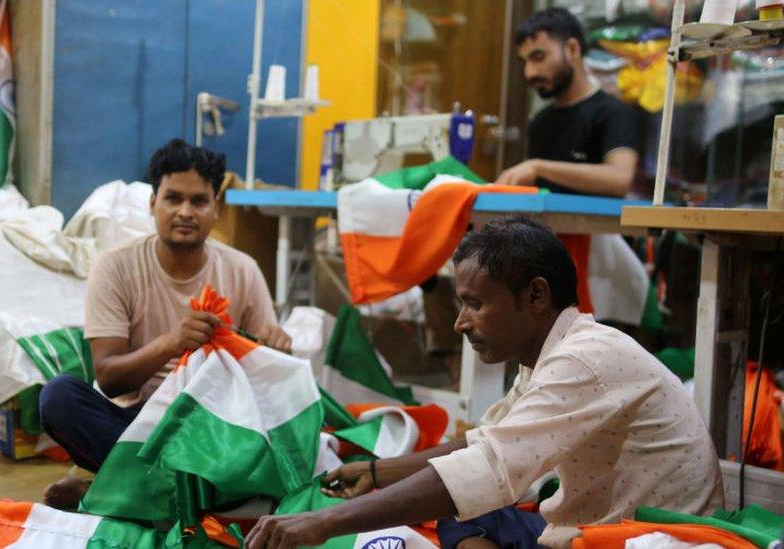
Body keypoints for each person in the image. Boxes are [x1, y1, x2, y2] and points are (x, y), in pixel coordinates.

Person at [245, 216, 723, 549]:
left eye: (474, 303)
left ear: (535, 295)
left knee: (463, 501)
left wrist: (320, 524)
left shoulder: (584, 361)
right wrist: (375, 474)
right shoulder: (553, 352)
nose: (460, 323)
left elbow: (486, 467)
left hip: (643, 542)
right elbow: (480, 446)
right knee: (462, 507)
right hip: (606, 530)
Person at [38, 139, 291, 502]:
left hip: (215, 423)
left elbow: (266, 375)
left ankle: (117, 493)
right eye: (173, 198)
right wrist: (173, 343)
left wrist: (275, 346)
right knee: (59, 397)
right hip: (138, 426)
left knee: (276, 437)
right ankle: (178, 494)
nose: (185, 212)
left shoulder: (242, 269)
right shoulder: (116, 267)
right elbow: (108, 378)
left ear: (215, 208)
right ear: (153, 203)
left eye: (199, 201)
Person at [496, 8, 639, 198]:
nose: (529, 73)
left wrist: (539, 167)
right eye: (525, 62)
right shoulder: (540, 122)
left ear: (572, 49)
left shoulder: (612, 112)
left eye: (538, 57)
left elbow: (620, 179)